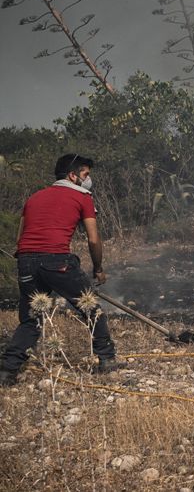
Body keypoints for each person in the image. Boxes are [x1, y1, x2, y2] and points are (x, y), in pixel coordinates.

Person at [0, 154, 119, 386]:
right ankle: (107, 360)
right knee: (91, 309)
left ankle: (7, 370)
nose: (88, 179)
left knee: (30, 320)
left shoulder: (34, 197)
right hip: (58, 260)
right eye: (86, 174)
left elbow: (20, 237)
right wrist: (98, 268)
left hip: (25, 260)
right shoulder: (83, 196)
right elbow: (93, 240)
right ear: (73, 176)